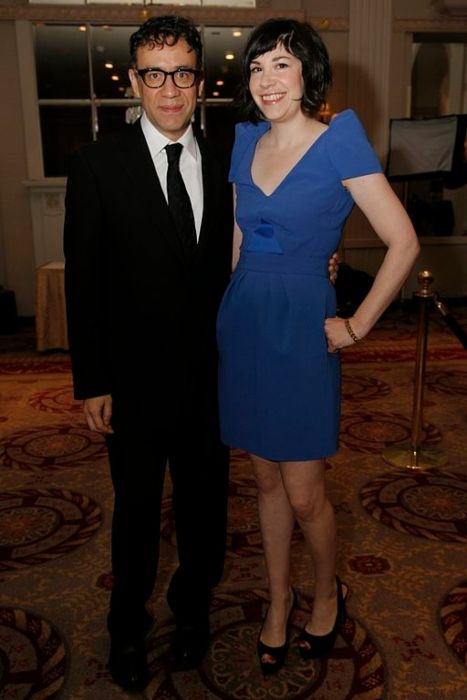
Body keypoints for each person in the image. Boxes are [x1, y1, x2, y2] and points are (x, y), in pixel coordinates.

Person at [216, 18, 420, 675]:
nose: (267, 79)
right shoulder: (244, 140)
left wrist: (356, 324)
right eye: (256, 67)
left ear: (307, 72)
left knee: (305, 493)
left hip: (302, 328)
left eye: (281, 64)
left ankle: (326, 588)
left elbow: (403, 242)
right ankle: (277, 602)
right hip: (246, 321)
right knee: (264, 482)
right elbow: (240, 244)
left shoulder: (339, 142)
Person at [64, 15, 233, 692]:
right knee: (135, 514)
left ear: (200, 80)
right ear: (134, 80)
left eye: (182, 72)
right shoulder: (97, 164)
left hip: (212, 381)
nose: (169, 89)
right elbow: (85, 282)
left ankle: (191, 613)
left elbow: (257, 243)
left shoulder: (227, 159)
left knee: (205, 511)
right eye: (154, 74)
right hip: (131, 385)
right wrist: (91, 381)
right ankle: (126, 629)